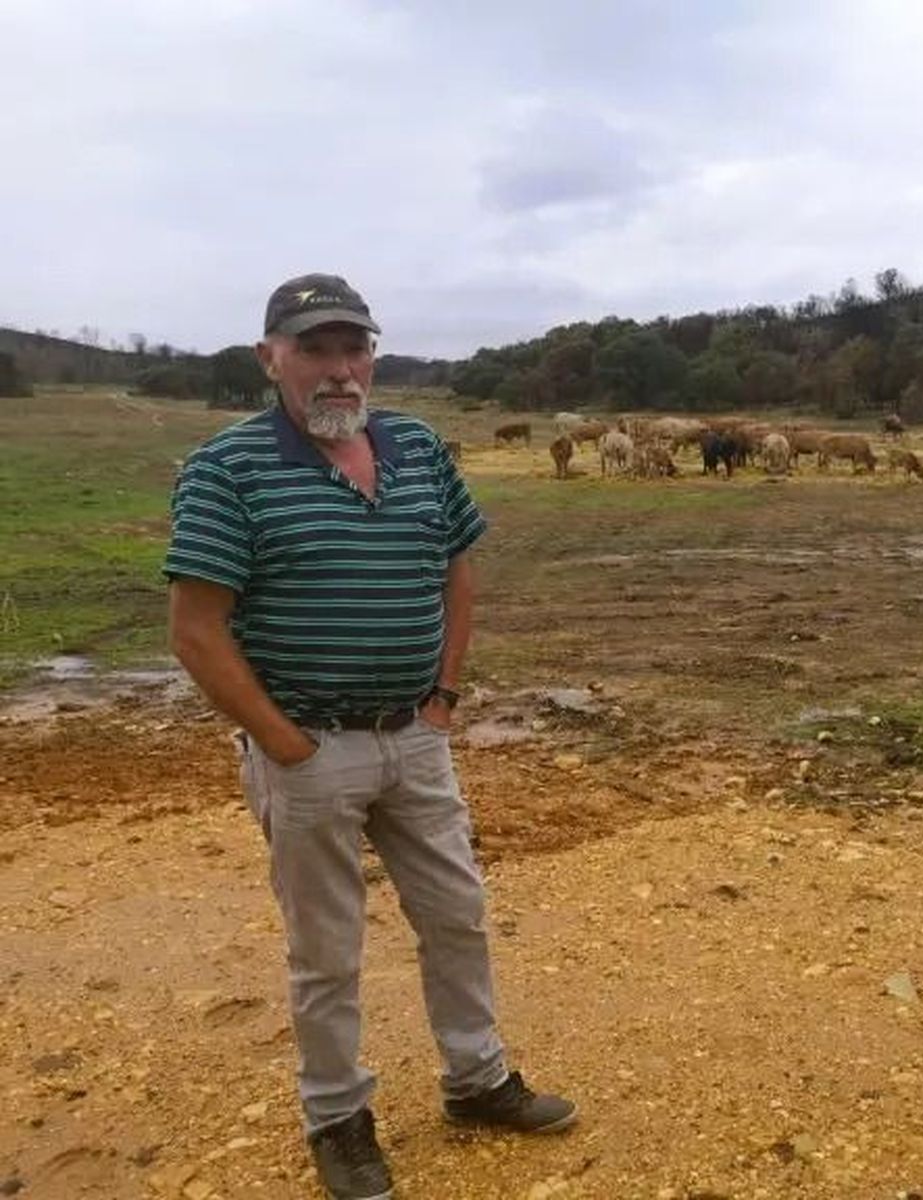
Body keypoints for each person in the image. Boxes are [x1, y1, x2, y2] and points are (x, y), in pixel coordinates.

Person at [164, 274, 576, 1200]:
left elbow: (457, 572)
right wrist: (286, 744)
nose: (339, 369)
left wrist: (445, 697)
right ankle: (337, 1118)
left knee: (457, 916)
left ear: (373, 357)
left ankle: (477, 1082)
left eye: (355, 348)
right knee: (326, 949)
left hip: (415, 737)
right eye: (315, 348)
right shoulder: (227, 468)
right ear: (270, 358)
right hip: (307, 749)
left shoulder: (420, 446)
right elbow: (195, 629)